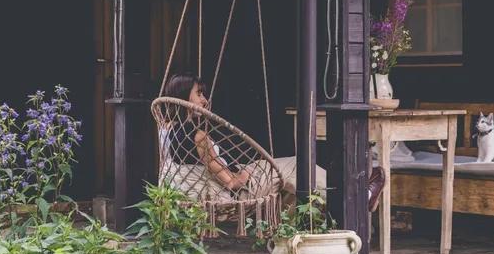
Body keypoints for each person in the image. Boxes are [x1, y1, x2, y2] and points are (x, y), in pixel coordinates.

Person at [160, 73, 384, 211]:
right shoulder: (199, 137)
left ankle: (291, 234)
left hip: (207, 184)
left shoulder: (165, 129)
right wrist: (244, 174)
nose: (204, 100)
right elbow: (231, 183)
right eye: (198, 93)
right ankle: (358, 198)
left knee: (290, 183)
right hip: (238, 190)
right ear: (182, 97)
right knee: (298, 165)